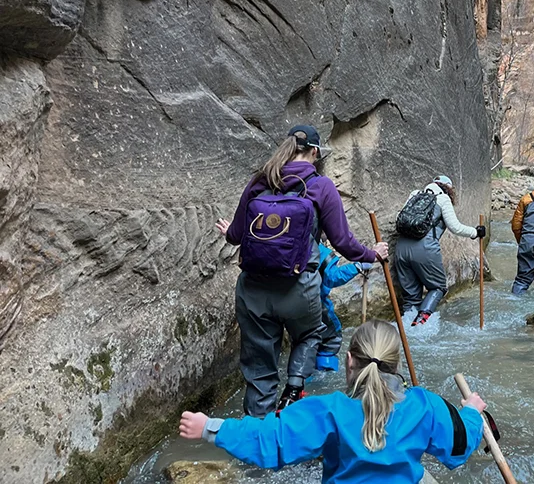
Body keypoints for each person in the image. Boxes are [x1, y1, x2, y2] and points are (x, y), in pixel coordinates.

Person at [215, 125, 389, 417]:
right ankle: (293, 391)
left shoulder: (260, 180)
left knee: (259, 365)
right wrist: (373, 254)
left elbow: (235, 235)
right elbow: (343, 243)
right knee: (309, 336)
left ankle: (259, 432)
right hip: (299, 287)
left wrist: (227, 232)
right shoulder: (321, 186)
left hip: (253, 290)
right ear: (315, 152)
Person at [178, 320, 486, 484]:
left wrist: (211, 427)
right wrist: (471, 412)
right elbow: (458, 448)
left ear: (349, 361)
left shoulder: (329, 410)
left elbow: (270, 441)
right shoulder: (426, 406)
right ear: (398, 367)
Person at [395, 175, 486, 326]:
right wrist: (476, 232)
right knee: (438, 287)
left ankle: (406, 328)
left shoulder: (414, 194)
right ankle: (420, 323)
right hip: (425, 249)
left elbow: (400, 217)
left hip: (401, 248)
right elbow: (455, 227)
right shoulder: (443, 199)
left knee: (411, 297)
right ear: (448, 188)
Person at [314, 243, 374, 373]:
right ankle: (325, 372)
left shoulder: (286, 243)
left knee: (304, 341)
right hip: (315, 306)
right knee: (330, 340)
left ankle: (300, 378)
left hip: (288, 306)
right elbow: (332, 277)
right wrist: (357, 266)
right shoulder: (315, 248)